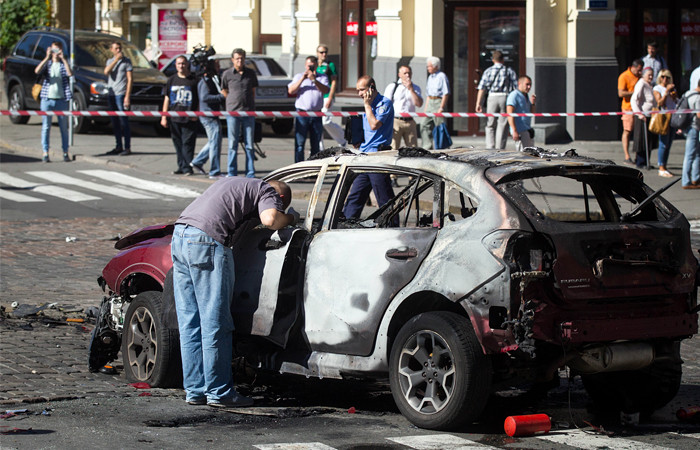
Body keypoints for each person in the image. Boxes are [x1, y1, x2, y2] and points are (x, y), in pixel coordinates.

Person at [171, 178, 299, 407]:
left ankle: (195, 390)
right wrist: (290, 218)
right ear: (278, 199)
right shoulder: (267, 190)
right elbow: (270, 219)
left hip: (180, 236)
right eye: (280, 205)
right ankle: (219, 393)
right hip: (206, 243)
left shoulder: (236, 183)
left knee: (191, 322)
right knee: (215, 322)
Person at [342, 76, 395, 219]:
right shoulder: (369, 104)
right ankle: (346, 224)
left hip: (378, 156)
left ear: (371, 87)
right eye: (357, 90)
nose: (359, 94)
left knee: (384, 197)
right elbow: (368, 131)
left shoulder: (384, 103)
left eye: (362, 90)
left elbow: (374, 125)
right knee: (356, 195)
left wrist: (367, 105)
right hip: (365, 155)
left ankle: (392, 227)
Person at [221, 48, 259, 178]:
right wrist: (232, 101)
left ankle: (250, 172)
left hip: (248, 112)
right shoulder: (227, 74)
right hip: (233, 113)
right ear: (232, 60)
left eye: (242, 58)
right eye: (237, 58)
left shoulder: (250, 73)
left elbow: (253, 91)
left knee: (249, 144)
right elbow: (224, 90)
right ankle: (232, 172)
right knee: (232, 144)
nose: (240, 60)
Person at [34, 41, 73, 163]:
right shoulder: (48, 64)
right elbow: (37, 70)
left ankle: (65, 152)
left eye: (58, 50)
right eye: (54, 50)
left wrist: (64, 59)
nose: (56, 53)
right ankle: (45, 152)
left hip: (61, 100)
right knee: (46, 127)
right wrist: (46, 57)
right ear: (50, 50)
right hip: (47, 99)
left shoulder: (63, 64)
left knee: (63, 128)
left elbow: (70, 74)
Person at [161, 55, 198, 175]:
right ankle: (181, 166)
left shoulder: (193, 80)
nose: (181, 66)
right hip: (174, 117)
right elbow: (167, 98)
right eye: (178, 64)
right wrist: (164, 116)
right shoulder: (171, 80)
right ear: (175, 65)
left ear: (187, 64)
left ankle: (188, 167)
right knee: (178, 144)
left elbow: (199, 99)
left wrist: (196, 113)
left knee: (188, 144)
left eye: (183, 63)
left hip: (189, 117)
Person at [287, 56, 329, 162]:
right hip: (302, 113)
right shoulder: (298, 76)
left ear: (316, 66)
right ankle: (298, 168)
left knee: (315, 145)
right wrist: (303, 79)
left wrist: (313, 80)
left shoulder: (322, 77)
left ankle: (313, 171)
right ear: (305, 65)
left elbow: (325, 90)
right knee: (300, 144)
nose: (310, 67)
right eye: (308, 65)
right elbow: (291, 91)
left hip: (316, 114)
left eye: (312, 65)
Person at [475, 50, 518, 149]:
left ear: (493, 60)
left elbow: (482, 88)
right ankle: (500, 148)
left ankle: (490, 146)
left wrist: (478, 103)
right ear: (503, 60)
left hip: (492, 97)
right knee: (502, 124)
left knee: (490, 124)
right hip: (505, 97)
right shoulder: (509, 70)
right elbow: (515, 87)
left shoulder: (488, 71)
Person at [190, 59, 225, 179]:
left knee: (214, 142)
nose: (219, 67)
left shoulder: (211, 79)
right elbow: (205, 97)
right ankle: (214, 171)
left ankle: (198, 161)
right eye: (217, 65)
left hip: (211, 115)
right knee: (215, 143)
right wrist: (221, 96)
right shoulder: (205, 81)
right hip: (208, 116)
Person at [104, 41, 133, 156]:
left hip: (121, 94)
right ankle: (118, 146)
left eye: (119, 48)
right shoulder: (110, 61)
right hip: (112, 93)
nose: (118, 50)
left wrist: (127, 96)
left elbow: (130, 79)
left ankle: (127, 147)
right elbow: (106, 71)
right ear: (111, 50)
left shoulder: (127, 62)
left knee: (124, 121)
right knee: (114, 121)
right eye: (116, 48)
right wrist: (116, 60)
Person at [383, 65, 423, 149]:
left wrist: (411, 89)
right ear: (399, 75)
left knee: (413, 149)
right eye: (405, 73)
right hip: (396, 120)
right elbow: (385, 104)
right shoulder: (392, 87)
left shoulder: (416, 88)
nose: (407, 75)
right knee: (393, 148)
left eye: (409, 73)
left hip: (410, 121)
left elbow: (419, 104)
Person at [315, 44, 346, 149]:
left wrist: (330, 97)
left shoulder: (330, 65)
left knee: (325, 121)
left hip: (327, 96)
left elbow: (333, 82)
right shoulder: (315, 65)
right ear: (317, 53)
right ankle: (319, 147)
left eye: (325, 52)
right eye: (321, 52)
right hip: (316, 97)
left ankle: (342, 138)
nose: (324, 54)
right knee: (318, 122)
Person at [652, 69, 678, 177]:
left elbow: (676, 101)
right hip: (663, 117)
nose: (665, 79)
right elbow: (660, 102)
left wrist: (673, 94)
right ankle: (661, 167)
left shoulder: (671, 88)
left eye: (667, 77)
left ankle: (665, 166)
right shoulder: (657, 88)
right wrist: (666, 92)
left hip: (672, 117)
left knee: (669, 143)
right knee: (663, 143)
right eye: (663, 77)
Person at [421, 56, 450, 150]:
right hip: (430, 102)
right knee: (424, 124)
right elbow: (428, 94)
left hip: (438, 101)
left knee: (439, 126)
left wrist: (441, 107)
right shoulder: (430, 77)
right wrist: (426, 108)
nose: (427, 68)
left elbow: (446, 93)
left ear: (436, 66)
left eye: (429, 66)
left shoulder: (442, 76)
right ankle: (427, 146)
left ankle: (441, 147)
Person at [618, 59, 643, 164]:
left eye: (641, 70)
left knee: (638, 132)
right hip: (628, 108)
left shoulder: (640, 77)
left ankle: (638, 155)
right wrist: (634, 93)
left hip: (639, 108)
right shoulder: (624, 76)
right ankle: (627, 156)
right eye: (638, 70)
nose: (640, 72)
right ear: (633, 67)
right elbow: (621, 93)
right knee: (627, 131)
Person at [631, 67, 657, 168]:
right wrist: (639, 113)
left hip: (650, 115)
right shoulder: (641, 83)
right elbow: (634, 100)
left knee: (649, 140)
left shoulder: (650, 85)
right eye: (649, 75)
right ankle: (640, 162)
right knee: (642, 140)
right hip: (642, 116)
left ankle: (647, 161)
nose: (651, 77)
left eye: (652, 75)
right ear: (643, 75)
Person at [506, 76, 536, 152]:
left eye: (530, 85)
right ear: (520, 84)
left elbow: (531, 113)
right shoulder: (514, 95)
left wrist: (532, 103)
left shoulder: (525, 96)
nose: (529, 87)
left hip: (527, 129)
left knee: (531, 154)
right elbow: (510, 114)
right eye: (527, 84)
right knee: (522, 155)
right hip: (519, 131)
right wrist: (514, 130)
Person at [681, 79, 700, 189]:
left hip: (688, 127)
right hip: (693, 127)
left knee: (696, 154)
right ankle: (686, 181)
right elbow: (698, 115)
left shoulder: (688, 93)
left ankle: (695, 178)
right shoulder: (697, 97)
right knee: (690, 155)